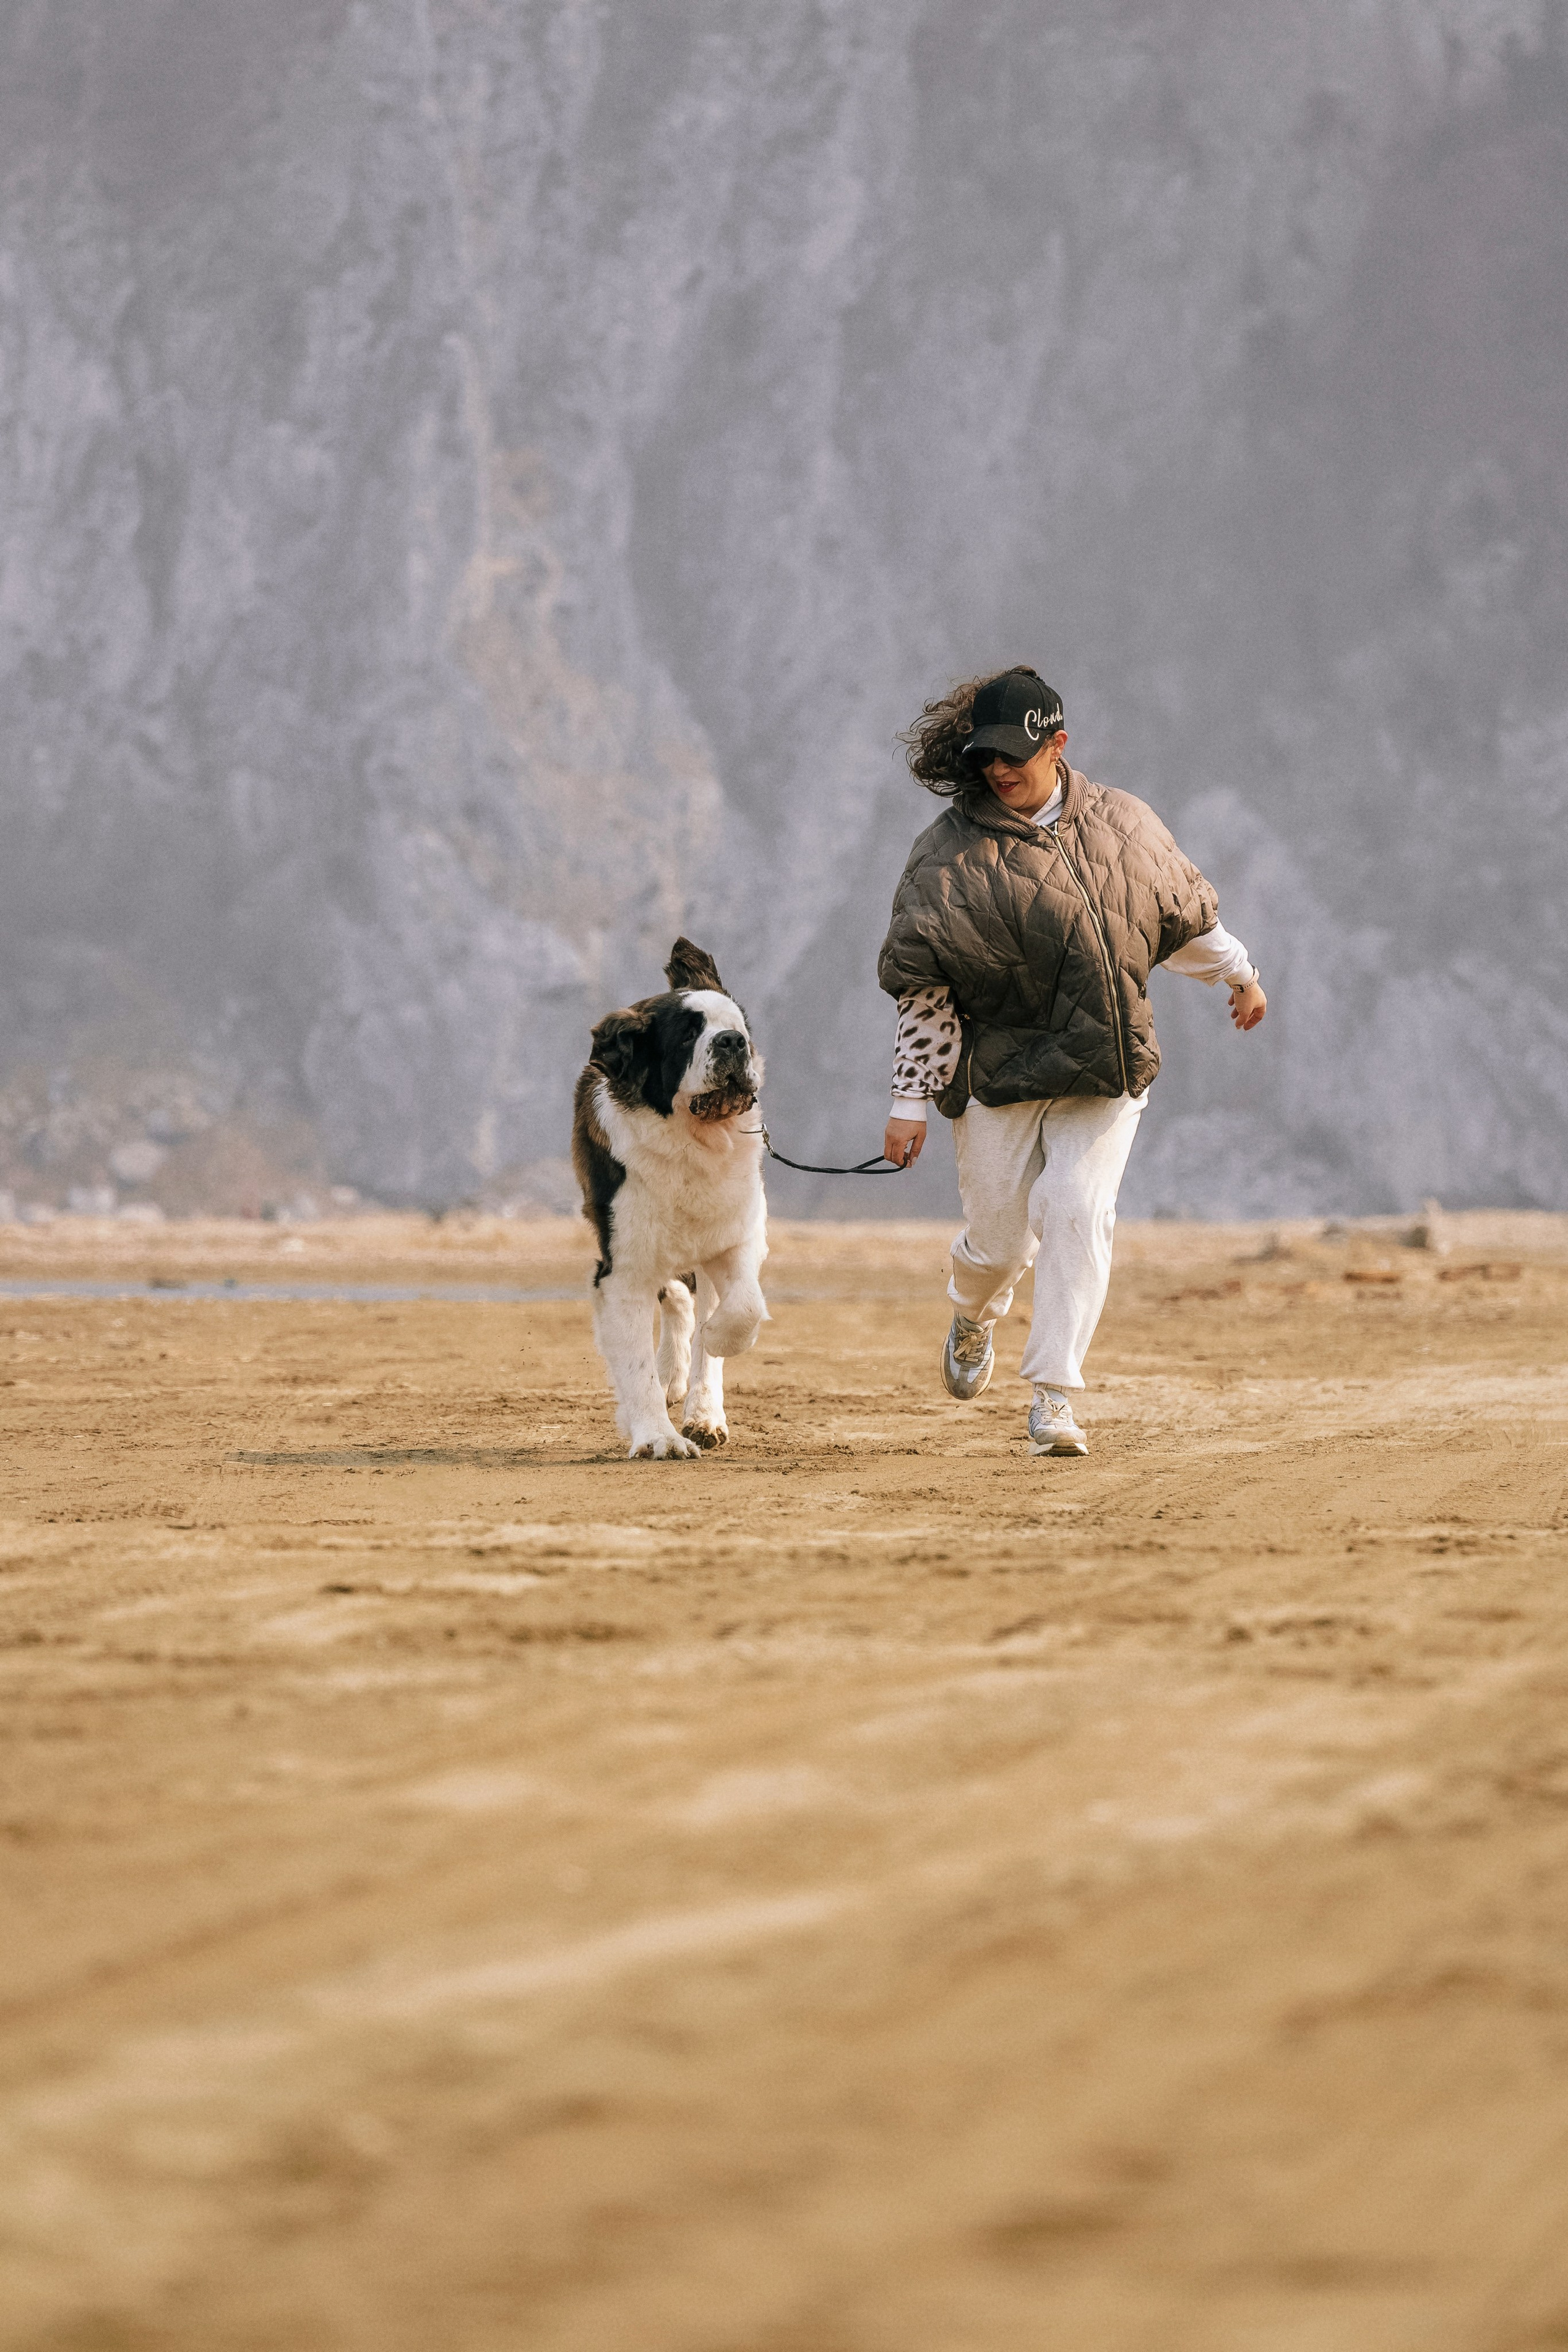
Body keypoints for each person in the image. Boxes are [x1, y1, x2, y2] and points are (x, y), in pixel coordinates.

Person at [877, 666, 1265, 1457]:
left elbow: (1176, 921)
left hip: (1102, 1067)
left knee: (1079, 1212)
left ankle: (1054, 1399)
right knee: (999, 1244)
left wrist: (1242, 975)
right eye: (985, 756)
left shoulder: (1126, 824)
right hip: (999, 1077)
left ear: (1058, 744)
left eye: (1013, 753)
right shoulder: (946, 855)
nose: (996, 769)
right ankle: (974, 1314)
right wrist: (909, 1101)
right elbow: (925, 992)